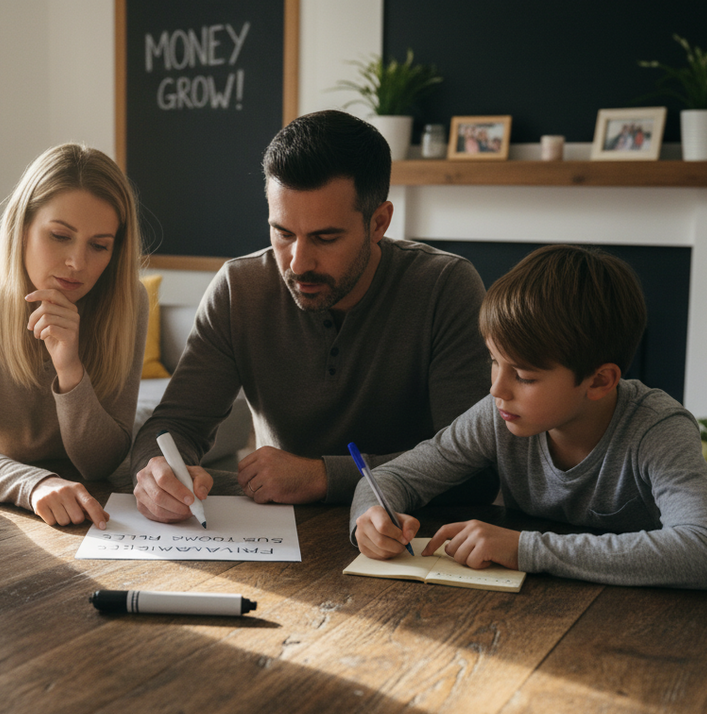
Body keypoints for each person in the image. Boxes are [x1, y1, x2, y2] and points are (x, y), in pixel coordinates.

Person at [131, 110, 495, 523]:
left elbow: (477, 468)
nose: (298, 263)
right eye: (283, 233)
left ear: (379, 222)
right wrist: (155, 472)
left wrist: (323, 476)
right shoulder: (239, 287)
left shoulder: (445, 286)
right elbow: (172, 425)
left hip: (412, 536)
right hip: (275, 534)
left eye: (325, 237)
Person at [351, 245, 707, 590]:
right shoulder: (498, 413)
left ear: (600, 380)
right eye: (493, 361)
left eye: (524, 376)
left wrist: (526, 549)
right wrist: (369, 519)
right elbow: (392, 477)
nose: (497, 389)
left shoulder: (656, 430)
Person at [0, 144, 147, 530]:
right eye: (60, 236)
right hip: (4, 501)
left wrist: (70, 368)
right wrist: (36, 484)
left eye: (99, 246)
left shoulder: (128, 301)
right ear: (23, 226)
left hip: (95, 508)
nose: (78, 263)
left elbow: (102, 462)